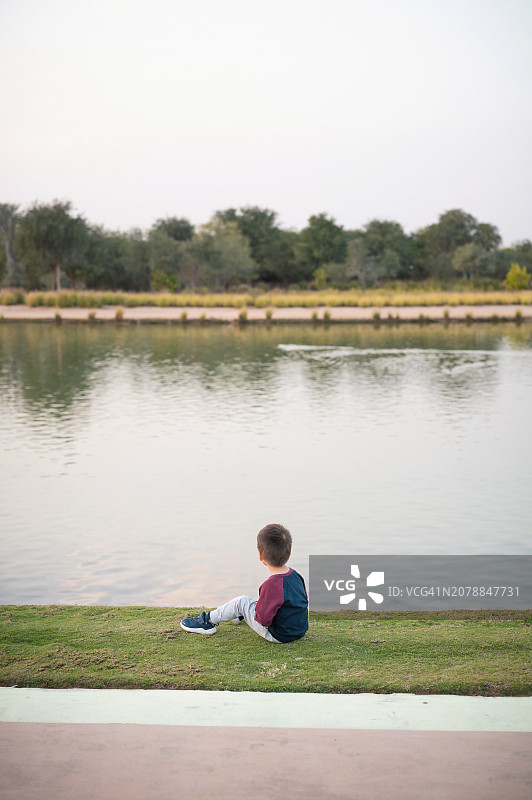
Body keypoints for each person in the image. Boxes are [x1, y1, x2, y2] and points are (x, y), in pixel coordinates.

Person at [180, 523, 308, 643]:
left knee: (242, 602)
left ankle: (207, 621)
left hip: (279, 635)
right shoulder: (296, 576)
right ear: (288, 552)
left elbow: (263, 620)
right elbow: (298, 602)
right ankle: (238, 615)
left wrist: (257, 610)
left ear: (260, 556)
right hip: (299, 631)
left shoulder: (271, 585)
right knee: (257, 603)